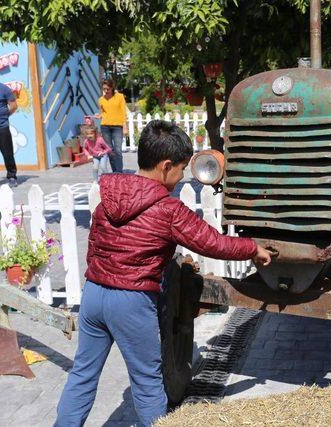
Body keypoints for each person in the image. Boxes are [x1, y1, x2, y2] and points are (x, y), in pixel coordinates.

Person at [55, 120, 272, 427]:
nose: (183, 176)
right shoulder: (168, 210)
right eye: (182, 168)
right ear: (166, 165)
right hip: (130, 302)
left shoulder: (109, 198)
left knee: (82, 375)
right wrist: (252, 247)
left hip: (93, 295)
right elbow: (213, 242)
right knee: (147, 383)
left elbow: (93, 248)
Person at [95, 79, 127, 173]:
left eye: (107, 88)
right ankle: (115, 172)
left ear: (112, 87)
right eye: (104, 89)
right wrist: (99, 116)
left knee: (118, 150)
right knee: (110, 151)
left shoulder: (120, 97)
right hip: (105, 127)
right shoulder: (101, 100)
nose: (106, 90)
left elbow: (123, 112)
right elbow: (104, 113)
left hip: (117, 127)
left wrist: (124, 127)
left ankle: (119, 172)